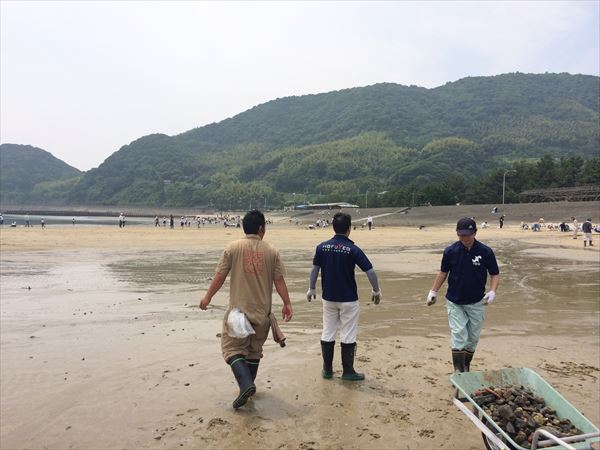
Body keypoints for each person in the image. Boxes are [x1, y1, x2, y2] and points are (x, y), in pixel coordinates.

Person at [199, 210, 293, 409]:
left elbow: (220, 276)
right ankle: (248, 389)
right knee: (254, 351)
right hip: (262, 313)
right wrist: (287, 303)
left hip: (238, 313)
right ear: (261, 229)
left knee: (232, 349)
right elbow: (279, 281)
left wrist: (208, 297)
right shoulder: (272, 251)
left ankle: (245, 385)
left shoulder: (233, 248)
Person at [307, 212, 381, 381]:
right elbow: (370, 271)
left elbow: (314, 269)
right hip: (348, 299)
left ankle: (327, 370)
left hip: (328, 298)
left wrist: (311, 288)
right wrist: (376, 290)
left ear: (333, 227)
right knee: (348, 333)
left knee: (328, 331)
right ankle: (348, 371)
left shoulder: (322, 247)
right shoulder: (353, 249)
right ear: (349, 229)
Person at [426, 218, 499, 373]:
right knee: (459, 334)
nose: (464, 238)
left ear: (475, 233)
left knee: (472, 338)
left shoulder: (485, 251)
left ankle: (466, 366)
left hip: (476, 302)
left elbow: (494, 274)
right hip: (455, 301)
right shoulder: (451, 251)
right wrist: (433, 291)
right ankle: (459, 372)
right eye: (461, 235)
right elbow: (443, 273)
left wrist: (493, 291)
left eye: (467, 235)